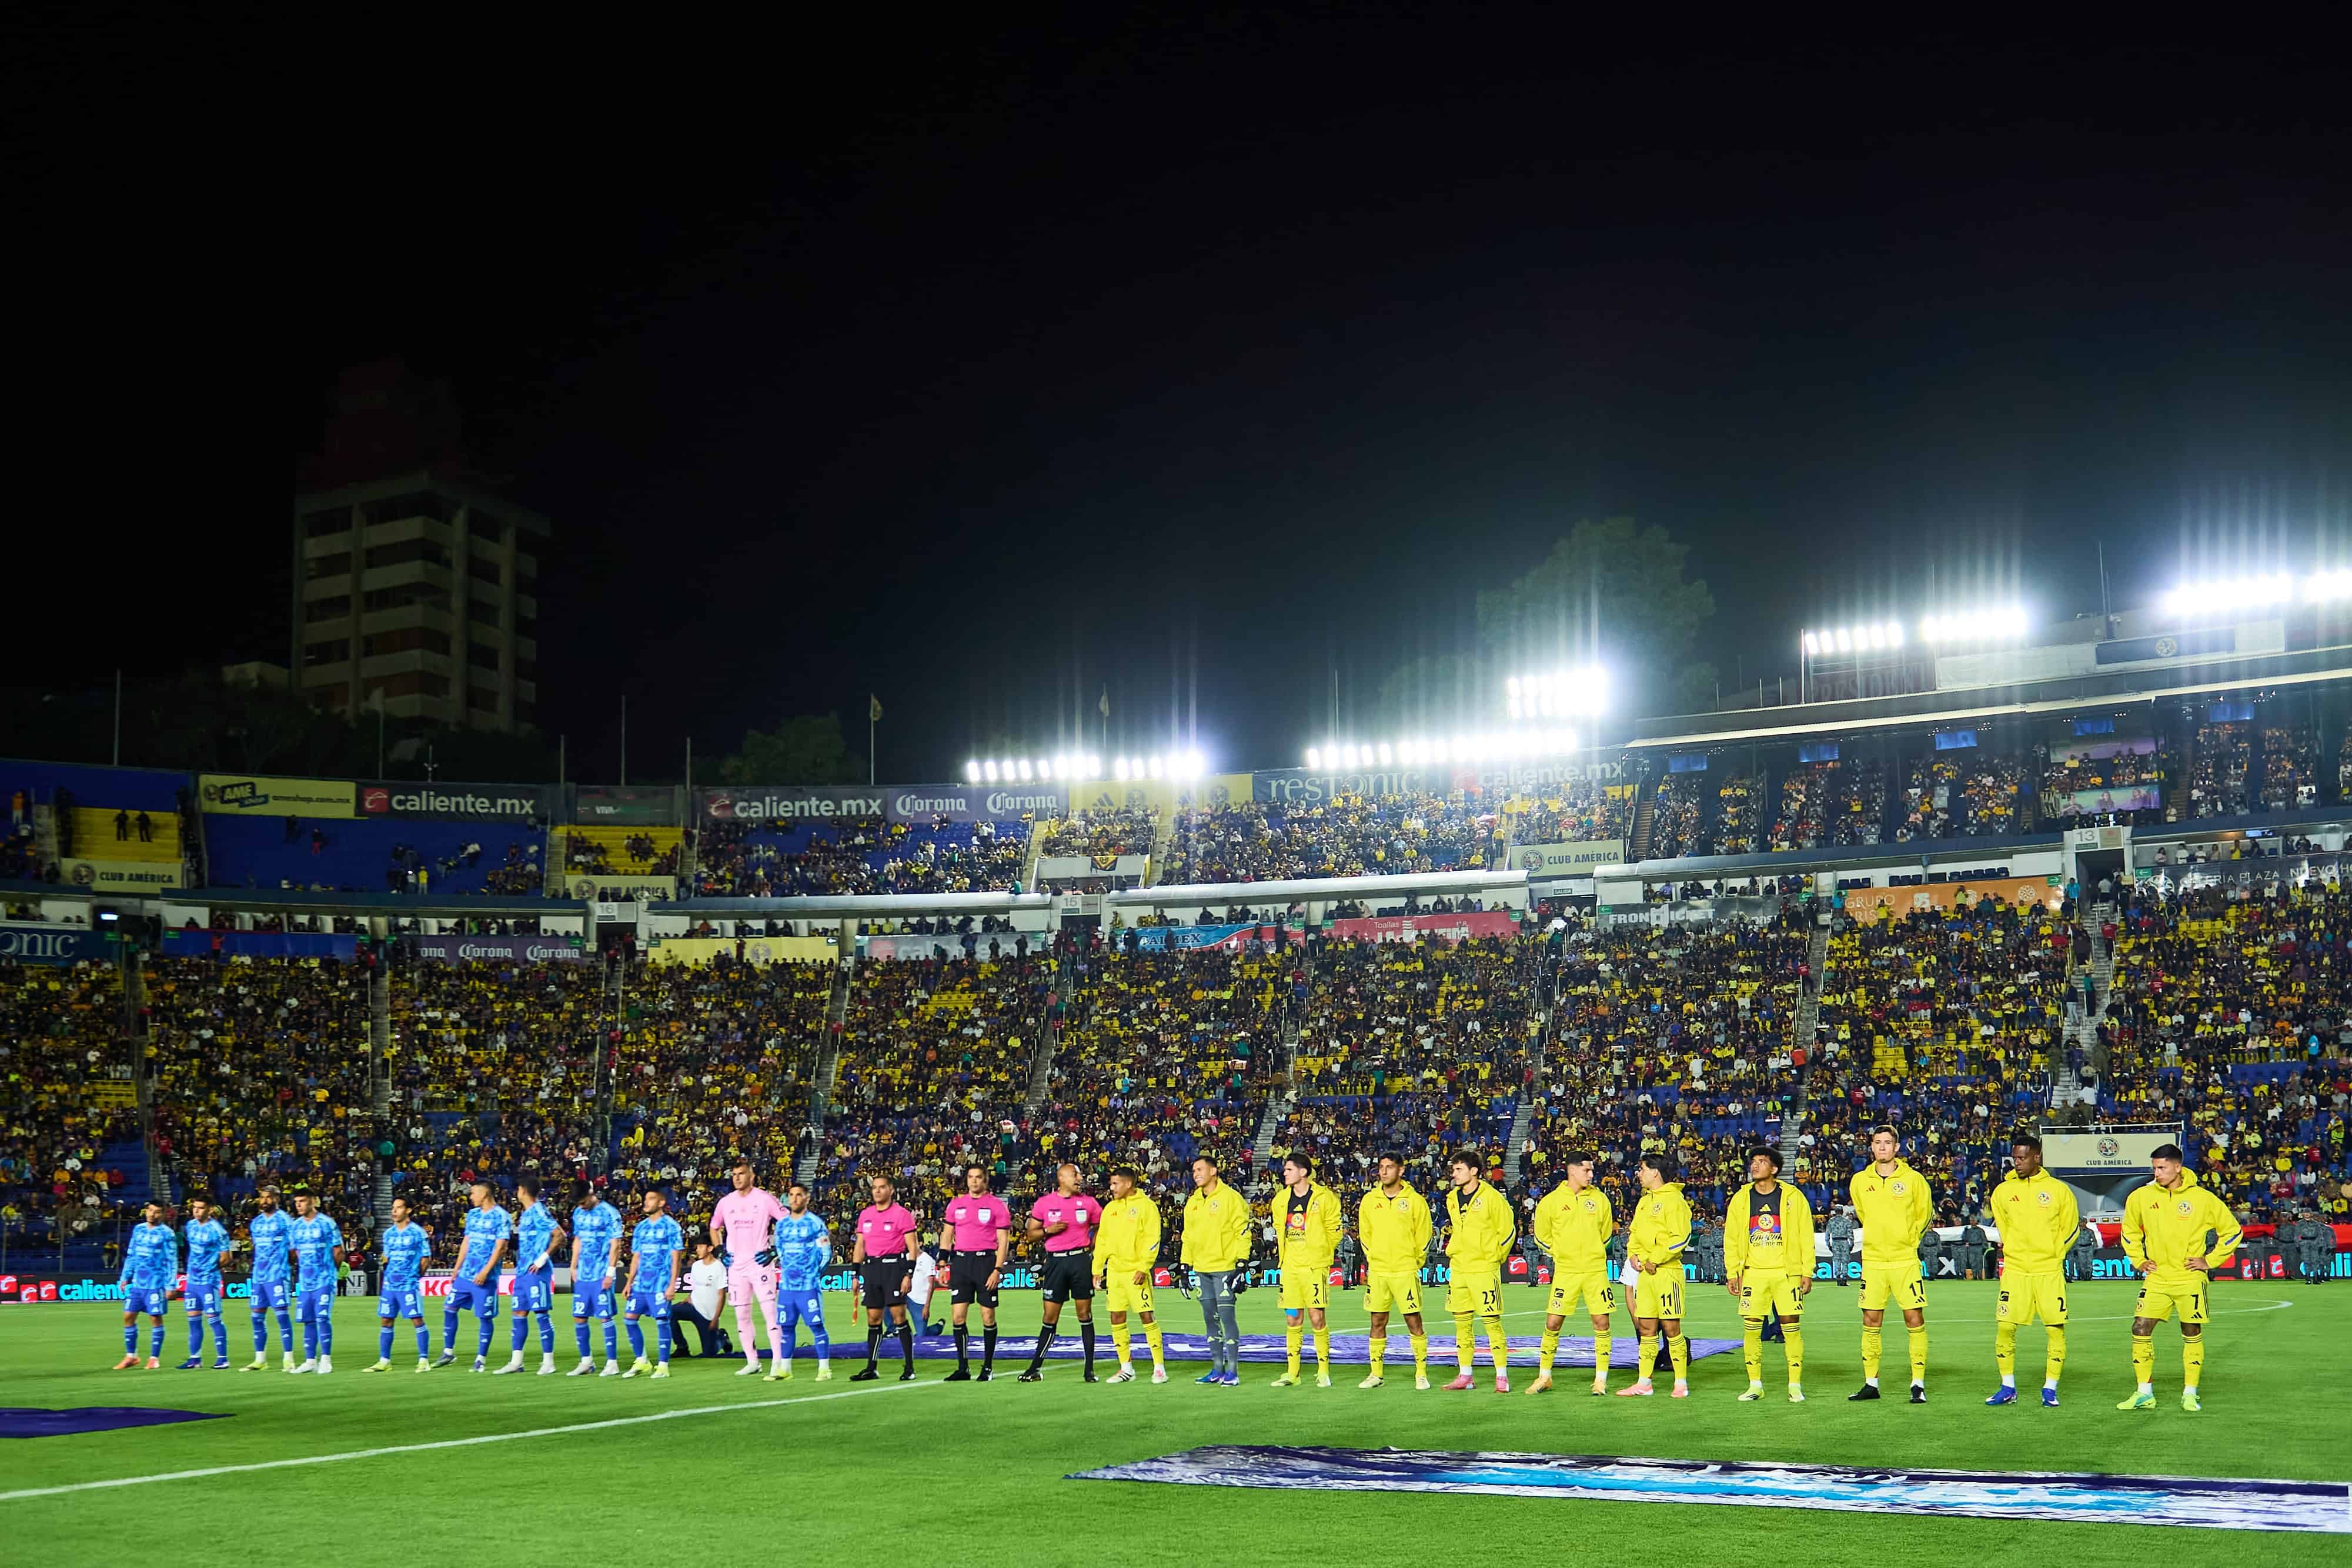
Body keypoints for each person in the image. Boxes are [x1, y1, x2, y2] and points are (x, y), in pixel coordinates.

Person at [2117, 1142, 2241, 1412]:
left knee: (2191, 1331)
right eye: (2154, 1168)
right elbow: (2129, 1232)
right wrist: (2138, 1259)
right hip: (2157, 1277)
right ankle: (2144, 1392)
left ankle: (2190, 1392)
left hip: (2189, 1278)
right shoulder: (2140, 1196)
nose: (2157, 1173)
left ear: (2177, 1167)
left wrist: (2209, 1260)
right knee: (2140, 1328)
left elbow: (2232, 1231)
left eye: (2162, 1168)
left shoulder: (2203, 1199)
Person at [1986, 1133, 2079, 1407]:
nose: (2017, 1163)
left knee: (2055, 1330)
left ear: (2037, 1157)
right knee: (2005, 1327)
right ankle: (2008, 1387)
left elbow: (2071, 1227)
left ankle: (2050, 1388)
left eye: (2022, 1158)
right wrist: (2014, 1249)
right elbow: (2003, 1226)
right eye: (2015, 1158)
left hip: (2048, 1271)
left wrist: (2053, 1254)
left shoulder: (2058, 1190)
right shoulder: (2002, 1191)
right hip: (2015, 1271)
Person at [1849, 1125, 1933, 1403]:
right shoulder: (1860, 1181)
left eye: (1888, 1143)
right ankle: (1871, 1383)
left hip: (1904, 1261)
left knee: (1914, 1319)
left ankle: (1918, 1384)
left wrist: (1909, 1240)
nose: (1882, 1147)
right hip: (1873, 1261)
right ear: (1871, 1147)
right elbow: (1863, 1213)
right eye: (1877, 1143)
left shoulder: (1913, 1179)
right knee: (1871, 1320)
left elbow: (1925, 1214)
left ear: (1897, 1147)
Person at [1725, 1148, 1814, 1402]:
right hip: (1753, 1273)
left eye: (1761, 1162)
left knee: (1791, 1328)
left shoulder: (1793, 1197)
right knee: (1751, 1329)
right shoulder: (1741, 1198)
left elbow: (1806, 1235)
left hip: (1786, 1273)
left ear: (1774, 1169)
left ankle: (1795, 1385)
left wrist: (1806, 1270)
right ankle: (1755, 1385)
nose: (1754, 1166)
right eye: (1753, 1162)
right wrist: (1733, 1272)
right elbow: (1731, 1238)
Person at [1529, 1151, 1615, 1396]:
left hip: (1595, 1270)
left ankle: (1601, 1379)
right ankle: (1544, 1376)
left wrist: (1593, 1251)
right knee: (1553, 1323)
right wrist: (1559, 1253)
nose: (1591, 1174)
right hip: (1566, 1271)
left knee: (1602, 1323)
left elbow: (1606, 1235)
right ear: (1572, 1170)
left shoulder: (1600, 1200)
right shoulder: (1551, 1201)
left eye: (1591, 1170)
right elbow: (1541, 1236)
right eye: (1587, 1170)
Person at [1616, 1152, 1693, 1399]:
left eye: (1642, 1169)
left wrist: (1655, 1258)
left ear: (1655, 1172)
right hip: (1646, 1275)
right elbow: (1635, 1233)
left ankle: (1680, 1383)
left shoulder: (1675, 1201)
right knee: (1646, 1329)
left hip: (1667, 1272)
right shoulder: (1644, 1202)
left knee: (1671, 1328)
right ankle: (1644, 1383)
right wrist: (1634, 1256)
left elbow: (1681, 1237)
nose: (1638, 1174)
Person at [1354, 1152, 1432, 1390]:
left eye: (1389, 1167)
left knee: (1413, 1321)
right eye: (1381, 1167)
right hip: (1378, 1271)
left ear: (1401, 1171)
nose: (1384, 1172)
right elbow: (1364, 1234)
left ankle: (1421, 1374)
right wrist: (1373, 1258)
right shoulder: (1370, 1200)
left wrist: (1415, 1261)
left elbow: (1424, 1234)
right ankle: (1376, 1374)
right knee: (1377, 1321)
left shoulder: (1415, 1200)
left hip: (1405, 1270)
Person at [1023, 1162, 1102, 1383]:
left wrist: (1092, 1245)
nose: (1080, 1178)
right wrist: (1049, 1230)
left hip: (1079, 1261)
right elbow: (1030, 1235)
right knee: (1049, 1317)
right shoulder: (1044, 1203)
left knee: (1084, 1315)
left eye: (1080, 1175)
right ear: (1062, 1179)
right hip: (1056, 1263)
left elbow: (1103, 1227)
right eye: (1075, 1175)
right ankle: (1035, 1368)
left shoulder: (1089, 1203)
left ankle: (1089, 1370)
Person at [1442, 1150, 1515, 1393]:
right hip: (1460, 1268)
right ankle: (1465, 1376)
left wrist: (1494, 1257)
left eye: (1459, 1169)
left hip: (1484, 1268)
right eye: (1454, 1170)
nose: (1454, 1174)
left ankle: (1502, 1377)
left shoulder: (1492, 1197)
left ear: (1474, 1171)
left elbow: (1508, 1230)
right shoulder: (1452, 1198)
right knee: (1462, 1325)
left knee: (1491, 1323)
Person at [1268, 1154, 1342, 1389]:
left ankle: (1323, 1372)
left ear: (1303, 1172)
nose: (1285, 1173)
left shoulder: (1324, 1198)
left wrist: (1322, 1254)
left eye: (1289, 1169)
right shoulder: (1280, 1200)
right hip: (1290, 1270)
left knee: (1317, 1318)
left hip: (1314, 1269)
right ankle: (1293, 1373)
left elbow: (1335, 1230)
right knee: (1292, 1317)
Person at [1181, 1153, 1253, 1387]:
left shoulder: (1231, 1198)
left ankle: (1233, 1371)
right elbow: (1188, 1237)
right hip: (1202, 1269)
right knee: (1209, 1320)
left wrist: (1242, 1263)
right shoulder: (1193, 1202)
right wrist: (1185, 1266)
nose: (1196, 1175)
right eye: (1194, 1171)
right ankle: (1216, 1369)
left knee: (1226, 1317)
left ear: (1213, 1171)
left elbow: (1242, 1231)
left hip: (1225, 1267)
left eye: (1200, 1170)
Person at [710, 1158, 787, 1376]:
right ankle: (752, 1361)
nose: (737, 1178)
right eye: (734, 1174)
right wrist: (719, 1251)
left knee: (769, 1313)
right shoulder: (726, 1202)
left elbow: (787, 1221)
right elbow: (714, 1226)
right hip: (735, 1266)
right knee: (741, 1315)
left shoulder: (764, 1199)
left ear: (751, 1177)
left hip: (760, 1264)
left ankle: (778, 1361)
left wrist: (775, 1250)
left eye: (741, 1174)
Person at [1093, 1164, 1167, 1383]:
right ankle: (1126, 1368)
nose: (1112, 1188)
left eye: (1115, 1184)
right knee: (1116, 1317)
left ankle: (1159, 1368)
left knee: (1146, 1316)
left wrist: (1144, 1267)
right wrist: (1097, 1269)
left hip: (1136, 1272)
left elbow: (1153, 1238)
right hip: (1115, 1273)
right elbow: (1103, 1241)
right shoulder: (1110, 1209)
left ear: (1128, 1184)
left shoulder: (1146, 1207)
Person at [940, 1164, 1014, 1381]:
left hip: (986, 1262)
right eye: (971, 1177)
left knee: (988, 1316)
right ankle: (963, 1367)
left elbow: (1003, 1241)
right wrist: (943, 1264)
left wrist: (998, 1269)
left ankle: (988, 1367)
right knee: (958, 1317)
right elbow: (946, 1235)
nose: (974, 1181)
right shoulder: (956, 1204)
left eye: (978, 1177)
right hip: (961, 1263)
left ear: (985, 1181)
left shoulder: (997, 1206)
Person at [848, 1174, 919, 1382]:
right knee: (873, 1319)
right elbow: (860, 1246)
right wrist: (855, 1274)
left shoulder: (902, 1214)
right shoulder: (866, 1215)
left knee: (899, 1317)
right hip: (872, 1269)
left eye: (881, 1188)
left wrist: (909, 1274)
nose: (877, 1191)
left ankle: (909, 1367)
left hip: (894, 1268)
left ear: (891, 1190)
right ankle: (872, 1367)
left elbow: (912, 1247)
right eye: (875, 1188)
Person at [437, 1180, 511, 1372]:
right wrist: (456, 1269)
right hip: (466, 1275)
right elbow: (466, 1243)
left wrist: (486, 1271)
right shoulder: (472, 1215)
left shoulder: (501, 1216)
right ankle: (448, 1352)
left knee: (484, 1317)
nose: (470, 1197)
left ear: (484, 1194)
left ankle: (480, 1359)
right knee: (449, 1308)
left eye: (473, 1194)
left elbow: (500, 1247)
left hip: (485, 1277)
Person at [496, 1176, 563, 1375]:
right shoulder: (525, 1215)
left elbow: (560, 1235)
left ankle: (548, 1362)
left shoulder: (538, 1211)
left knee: (541, 1314)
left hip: (537, 1272)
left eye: (518, 1188)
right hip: (523, 1272)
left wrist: (542, 1259)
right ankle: (517, 1362)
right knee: (518, 1314)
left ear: (523, 1190)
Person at [767, 1182, 833, 1381]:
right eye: (791, 1195)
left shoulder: (815, 1224)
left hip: (808, 1286)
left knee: (816, 1326)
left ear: (807, 1198)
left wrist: (813, 1274)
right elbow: (779, 1251)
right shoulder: (782, 1225)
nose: (794, 1199)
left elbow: (826, 1254)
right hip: (787, 1287)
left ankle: (824, 1369)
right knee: (786, 1327)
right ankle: (785, 1369)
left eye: (799, 1195)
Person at [622, 1189, 684, 1378]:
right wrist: (629, 1282)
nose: (646, 1203)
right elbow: (636, 1257)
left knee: (661, 1321)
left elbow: (677, 1258)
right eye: (645, 1199)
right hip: (641, 1284)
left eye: (651, 1199)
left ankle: (663, 1366)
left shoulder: (671, 1226)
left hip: (661, 1282)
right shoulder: (641, 1228)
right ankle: (642, 1361)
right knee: (629, 1319)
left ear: (662, 1202)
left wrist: (672, 1284)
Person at [368, 1196, 433, 1373]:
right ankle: (384, 1361)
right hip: (390, 1286)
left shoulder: (417, 1233)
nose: (394, 1211)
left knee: (417, 1319)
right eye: (393, 1208)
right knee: (386, 1320)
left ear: (408, 1211)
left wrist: (415, 1277)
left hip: (408, 1285)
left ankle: (423, 1360)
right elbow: (387, 1258)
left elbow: (426, 1258)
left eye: (398, 1208)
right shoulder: (388, 1234)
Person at [569, 1182, 626, 1376]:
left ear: (591, 1194)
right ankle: (586, 1362)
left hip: (601, 1273)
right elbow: (578, 1240)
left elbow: (616, 1244)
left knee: (604, 1316)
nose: (582, 1206)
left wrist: (610, 1273)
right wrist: (573, 1266)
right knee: (579, 1316)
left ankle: (612, 1363)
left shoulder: (609, 1212)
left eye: (583, 1202)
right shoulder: (578, 1213)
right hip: (583, 1274)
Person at [285, 1193, 343, 1375]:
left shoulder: (327, 1223)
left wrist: (330, 1271)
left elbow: (339, 1250)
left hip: (324, 1279)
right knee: (308, 1320)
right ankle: (311, 1361)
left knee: (322, 1317)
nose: (299, 1205)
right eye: (296, 1202)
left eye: (302, 1201)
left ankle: (326, 1360)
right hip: (306, 1281)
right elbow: (294, 1252)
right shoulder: (296, 1226)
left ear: (313, 1201)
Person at [113, 1201, 175, 1371]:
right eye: (150, 1211)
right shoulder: (138, 1230)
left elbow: (172, 1260)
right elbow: (131, 1255)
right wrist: (125, 1277)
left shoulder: (167, 1234)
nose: (152, 1214)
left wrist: (171, 1285)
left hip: (156, 1283)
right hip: (138, 1283)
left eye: (157, 1212)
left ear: (162, 1214)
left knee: (155, 1318)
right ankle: (131, 1356)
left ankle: (154, 1358)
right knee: (128, 1316)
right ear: (146, 1211)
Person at [244, 1184, 297, 1371]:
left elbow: (293, 1251)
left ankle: (288, 1359)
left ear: (277, 1199)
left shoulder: (285, 1221)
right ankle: (260, 1360)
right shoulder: (256, 1223)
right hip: (259, 1276)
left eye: (268, 1197)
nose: (264, 1201)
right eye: (262, 1197)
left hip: (278, 1275)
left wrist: (284, 1267)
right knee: (257, 1318)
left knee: (282, 1317)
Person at [176, 1196, 231, 1370]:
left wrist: (210, 1269)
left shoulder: (217, 1230)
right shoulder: (190, 1226)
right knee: (193, 1320)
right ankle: (195, 1359)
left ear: (210, 1210)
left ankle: (223, 1358)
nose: (196, 1211)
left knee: (213, 1319)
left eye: (200, 1208)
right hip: (192, 1281)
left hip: (209, 1281)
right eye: (194, 1207)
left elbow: (227, 1257)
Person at [673, 1242, 730, 1359]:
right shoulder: (696, 1265)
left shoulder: (719, 1268)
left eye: (700, 1247)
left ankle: (722, 1338)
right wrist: (688, 1299)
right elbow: (697, 1287)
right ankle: (682, 1347)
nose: (697, 1250)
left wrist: (715, 1319)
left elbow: (722, 1296)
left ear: (710, 1248)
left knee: (709, 1353)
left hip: (707, 1315)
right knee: (669, 1313)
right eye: (697, 1246)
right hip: (693, 1306)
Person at [1823, 1204, 1856, 1286]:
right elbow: (1850, 1234)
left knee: (1837, 1260)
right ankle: (1844, 1279)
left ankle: (1838, 1278)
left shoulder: (1831, 1221)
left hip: (1835, 1242)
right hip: (1844, 1241)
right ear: (1842, 1212)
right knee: (1845, 1261)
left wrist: (1828, 1245)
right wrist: (1851, 1244)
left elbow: (1827, 1234)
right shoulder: (1846, 1221)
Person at [2068, 1218, 2099, 1282]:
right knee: (2082, 1263)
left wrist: (2094, 1249)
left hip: (2089, 1247)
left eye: (2083, 1222)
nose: (2082, 1224)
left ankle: (2089, 1276)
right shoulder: (2077, 1232)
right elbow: (2074, 1241)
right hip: (2080, 1248)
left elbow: (2094, 1241)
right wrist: (2075, 1249)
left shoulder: (2090, 1231)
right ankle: (2083, 1276)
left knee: (2089, 1263)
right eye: (2081, 1222)